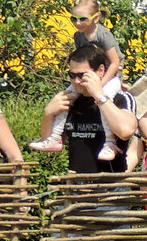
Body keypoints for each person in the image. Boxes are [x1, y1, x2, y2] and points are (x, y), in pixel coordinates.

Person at [31, 0, 124, 159]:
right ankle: (54, 138)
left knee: (104, 100)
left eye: (83, 19)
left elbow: (115, 62)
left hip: (110, 76)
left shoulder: (103, 35)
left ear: (95, 19)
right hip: (88, 76)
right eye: (73, 19)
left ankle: (110, 143)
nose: (77, 23)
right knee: (66, 98)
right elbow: (81, 59)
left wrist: (101, 85)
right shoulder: (78, 36)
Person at [37, 43, 137, 173]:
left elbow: (125, 131)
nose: (76, 81)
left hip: (111, 186)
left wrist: (100, 96)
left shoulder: (120, 98)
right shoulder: (71, 99)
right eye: (72, 75)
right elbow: (49, 140)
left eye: (82, 75)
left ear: (100, 70)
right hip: (77, 186)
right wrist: (48, 113)